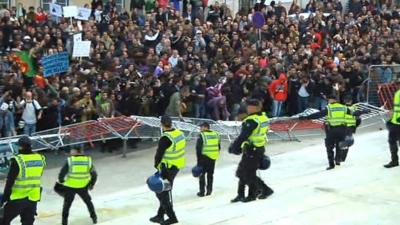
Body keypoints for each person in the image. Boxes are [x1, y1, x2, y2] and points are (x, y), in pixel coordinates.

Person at [229, 99, 274, 203]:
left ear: (254, 107)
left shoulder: (251, 120)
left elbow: (243, 136)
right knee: (241, 172)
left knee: (248, 174)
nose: (247, 108)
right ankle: (241, 194)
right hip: (257, 148)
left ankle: (258, 192)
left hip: (252, 150)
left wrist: (234, 147)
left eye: (249, 106)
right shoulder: (263, 117)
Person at [300, 94, 354, 170]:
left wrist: (306, 117)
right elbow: (353, 114)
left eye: (329, 100)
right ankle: (338, 160)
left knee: (329, 147)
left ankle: (331, 165)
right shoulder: (343, 107)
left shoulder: (329, 108)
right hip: (342, 129)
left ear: (332, 100)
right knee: (339, 145)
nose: (328, 101)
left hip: (332, 130)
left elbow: (318, 115)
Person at [1, 136, 46, 225]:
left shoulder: (18, 160)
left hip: (17, 198)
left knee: (3, 220)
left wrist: (4, 198)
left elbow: (10, 182)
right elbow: (38, 175)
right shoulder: (40, 158)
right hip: (33, 199)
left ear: (20, 147)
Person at [150, 115, 185, 225]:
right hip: (177, 165)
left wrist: (156, 166)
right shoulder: (179, 133)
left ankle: (172, 217)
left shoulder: (165, 138)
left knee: (162, 193)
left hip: (167, 169)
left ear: (162, 124)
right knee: (164, 191)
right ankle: (160, 215)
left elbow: (159, 154)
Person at [58, 148, 98, 225]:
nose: (70, 152)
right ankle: (94, 218)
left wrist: (61, 181)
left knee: (67, 205)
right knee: (88, 202)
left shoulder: (70, 160)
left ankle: (64, 222)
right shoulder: (88, 160)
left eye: (72, 151)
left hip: (70, 186)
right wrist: (91, 184)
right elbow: (94, 174)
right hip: (83, 186)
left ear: (76, 151)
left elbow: (62, 173)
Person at [196, 122, 220, 197]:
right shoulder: (216, 134)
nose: (200, 129)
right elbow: (219, 146)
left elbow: (198, 149)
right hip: (213, 157)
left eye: (201, 127)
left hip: (204, 157)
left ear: (206, 127)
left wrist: (199, 161)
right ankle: (209, 190)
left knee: (202, 174)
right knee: (210, 174)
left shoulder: (202, 135)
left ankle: (202, 192)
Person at [384, 89, 400, 168]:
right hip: (396, 121)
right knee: (392, 141)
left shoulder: (398, 93)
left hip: (397, 122)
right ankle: (394, 161)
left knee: (392, 141)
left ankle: (394, 161)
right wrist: (393, 112)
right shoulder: (398, 93)